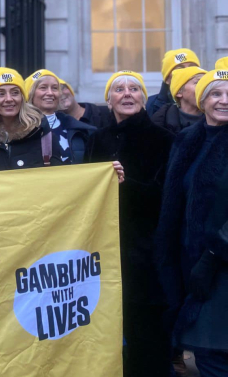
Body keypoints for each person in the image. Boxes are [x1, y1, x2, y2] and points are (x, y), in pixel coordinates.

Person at [86, 70, 174, 377]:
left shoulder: (164, 140)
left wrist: (127, 183)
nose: (127, 93)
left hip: (146, 253)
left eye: (134, 88)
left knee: (147, 333)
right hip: (105, 252)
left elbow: (167, 196)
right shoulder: (98, 139)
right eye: (119, 89)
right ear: (108, 100)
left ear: (143, 99)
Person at [156, 69, 228, 377]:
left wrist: (213, 256)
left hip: (219, 266)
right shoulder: (187, 140)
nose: (224, 101)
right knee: (207, 355)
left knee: (216, 353)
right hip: (191, 265)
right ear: (202, 100)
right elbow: (171, 197)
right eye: (216, 94)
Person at [0, 68, 63, 171]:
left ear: (22, 98)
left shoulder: (44, 136)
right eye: (1, 94)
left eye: (15, 93)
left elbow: (57, 179)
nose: (9, 99)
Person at [26, 69, 95, 163]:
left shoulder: (82, 131)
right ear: (30, 94)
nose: (50, 93)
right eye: (43, 88)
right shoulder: (18, 130)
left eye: (54, 88)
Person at [151, 66, 205, 134]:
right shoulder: (160, 122)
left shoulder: (217, 119)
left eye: (206, 83)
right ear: (179, 92)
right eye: (197, 82)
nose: (204, 87)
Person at [146, 48, 201, 116]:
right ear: (167, 79)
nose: (187, 72)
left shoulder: (208, 101)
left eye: (192, 67)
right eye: (179, 69)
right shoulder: (149, 105)